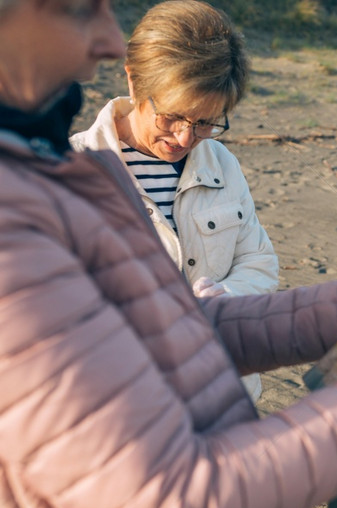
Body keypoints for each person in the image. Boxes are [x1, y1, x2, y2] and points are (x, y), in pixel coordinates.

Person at [0, 0, 337, 508]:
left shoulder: (69, 174)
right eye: (80, 9)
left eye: (206, 121)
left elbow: (159, 324)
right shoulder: (21, 216)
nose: (112, 39)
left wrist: (325, 316)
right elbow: (171, 506)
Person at [71, 0, 276, 402]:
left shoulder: (221, 163)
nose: (184, 138)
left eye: (205, 122)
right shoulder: (70, 172)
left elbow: (259, 261)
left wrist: (228, 299)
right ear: (134, 81)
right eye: (171, 117)